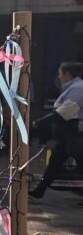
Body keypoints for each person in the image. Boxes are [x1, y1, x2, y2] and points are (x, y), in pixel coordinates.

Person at [30, 61, 83, 199]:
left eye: (60, 74)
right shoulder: (73, 88)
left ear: (67, 74)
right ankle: (40, 190)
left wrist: (38, 123)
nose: (59, 77)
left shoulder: (78, 88)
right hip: (67, 136)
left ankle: (40, 190)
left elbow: (63, 113)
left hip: (76, 135)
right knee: (55, 163)